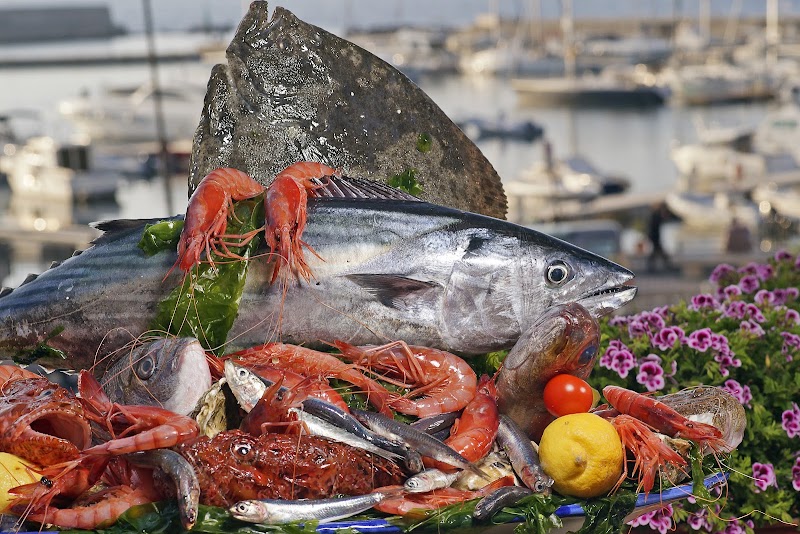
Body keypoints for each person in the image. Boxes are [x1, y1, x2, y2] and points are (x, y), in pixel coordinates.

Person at [646, 201, 673, 273]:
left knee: (656, 252)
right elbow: (656, 224)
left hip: (654, 236)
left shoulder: (654, 214)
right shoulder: (656, 215)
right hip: (655, 237)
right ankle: (666, 265)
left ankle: (652, 267)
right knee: (658, 252)